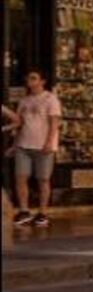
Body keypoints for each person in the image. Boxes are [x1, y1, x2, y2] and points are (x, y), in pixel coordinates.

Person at [4, 71, 62, 227]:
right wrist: (14, 145)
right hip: (24, 144)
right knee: (21, 177)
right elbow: (19, 123)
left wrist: (49, 142)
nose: (29, 81)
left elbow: (54, 123)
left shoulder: (50, 99)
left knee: (43, 179)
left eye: (33, 78)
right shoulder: (24, 101)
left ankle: (42, 213)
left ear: (42, 81)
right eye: (28, 78)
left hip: (42, 145)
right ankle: (24, 210)